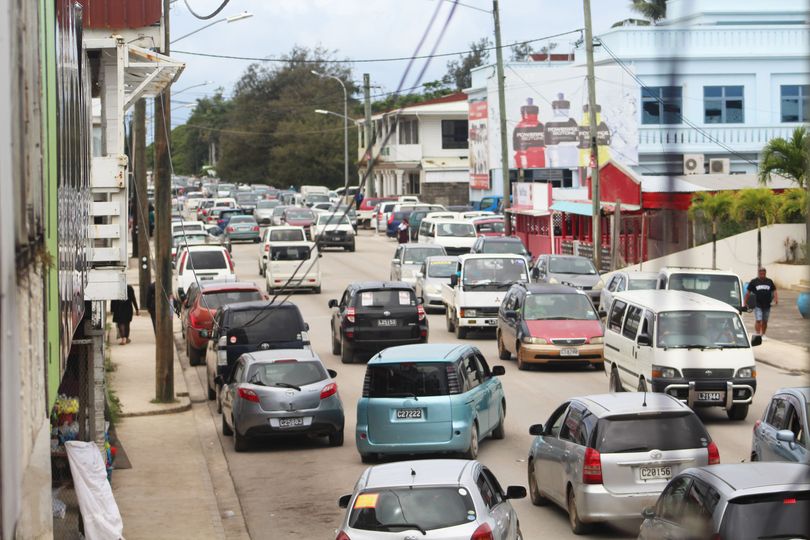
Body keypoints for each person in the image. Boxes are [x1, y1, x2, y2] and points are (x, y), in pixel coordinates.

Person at [745, 267, 778, 336]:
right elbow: (748, 292)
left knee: (765, 321)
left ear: (765, 273)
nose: (762, 275)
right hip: (758, 304)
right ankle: (757, 333)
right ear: (759, 273)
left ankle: (763, 334)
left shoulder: (769, 281)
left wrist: (776, 299)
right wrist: (744, 302)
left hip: (767, 304)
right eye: (761, 273)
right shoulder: (754, 281)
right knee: (758, 319)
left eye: (764, 273)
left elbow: (774, 290)